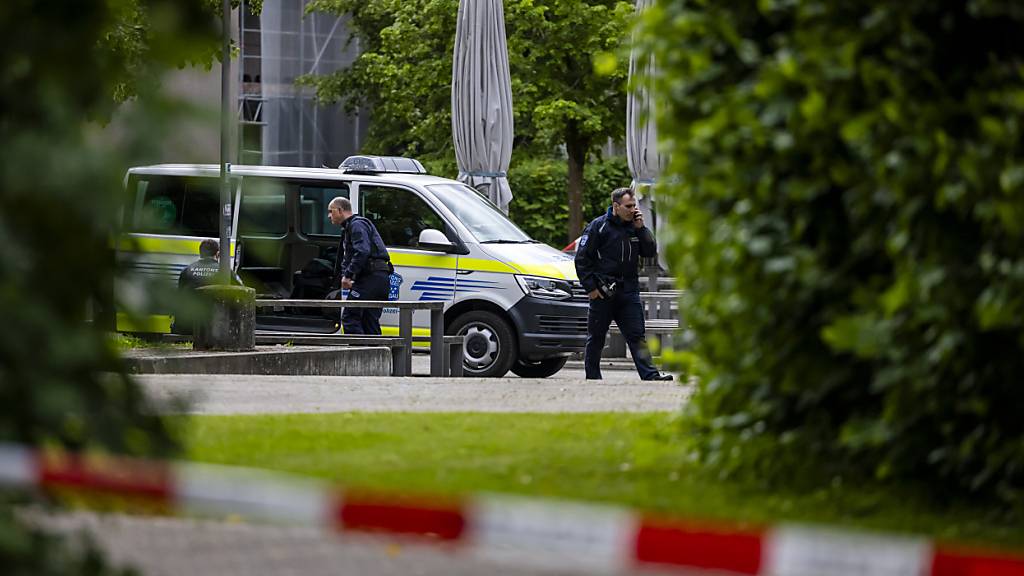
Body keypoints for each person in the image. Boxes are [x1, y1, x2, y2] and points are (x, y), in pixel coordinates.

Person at [574, 187, 673, 381]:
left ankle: (650, 375)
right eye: (628, 206)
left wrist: (642, 228)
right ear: (616, 206)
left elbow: (649, 252)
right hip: (603, 292)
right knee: (596, 338)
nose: (633, 209)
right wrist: (591, 289)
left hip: (628, 291)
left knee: (637, 337)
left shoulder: (634, 226)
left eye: (634, 205)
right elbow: (582, 259)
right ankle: (592, 378)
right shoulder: (598, 226)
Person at [327, 197, 392, 334]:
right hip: (379, 277)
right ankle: (376, 353)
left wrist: (348, 275)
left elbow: (362, 251)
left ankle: (359, 354)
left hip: (371, 277)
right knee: (369, 320)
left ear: (340, 210)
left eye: (330, 211)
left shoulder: (356, 225)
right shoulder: (351, 227)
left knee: (350, 317)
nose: (329, 215)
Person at [172, 239, 241, 334]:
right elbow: (243, 291)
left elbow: (179, 296)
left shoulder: (186, 271)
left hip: (187, 327)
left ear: (200, 253)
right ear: (218, 254)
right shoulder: (226, 272)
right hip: (214, 328)